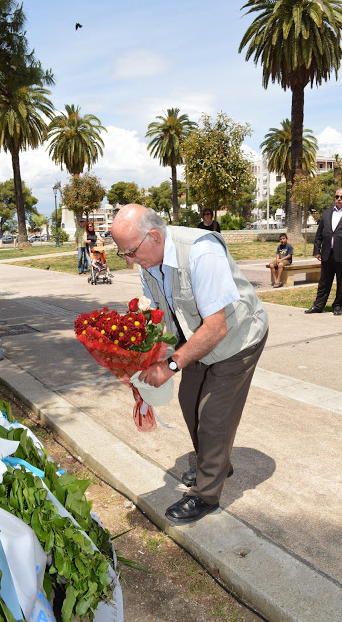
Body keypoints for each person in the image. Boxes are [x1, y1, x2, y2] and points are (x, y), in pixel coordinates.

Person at [112, 204, 268, 525]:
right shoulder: (148, 262)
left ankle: (206, 492)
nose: (127, 261)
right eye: (122, 253)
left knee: (212, 414)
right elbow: (160, 315)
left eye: (130, 251)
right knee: (189, 400)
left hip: (238, 337)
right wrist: (144, 361)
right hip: (196, 337)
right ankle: (217, 461)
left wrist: (169, 367)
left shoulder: (201, 252)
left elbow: (216, 328)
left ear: (154, 236)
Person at [305, 188, 342, 316]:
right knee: (324, 281)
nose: (339, 199)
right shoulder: (327, 213)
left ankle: (338, 305)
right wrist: (317, 249)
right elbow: (319, 233)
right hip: (327, 253)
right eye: (337, 196)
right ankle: (318, 305)